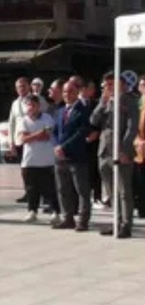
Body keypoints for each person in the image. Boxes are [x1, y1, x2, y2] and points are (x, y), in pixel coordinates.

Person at [90, 72, 139, 238]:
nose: (108, 88)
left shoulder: (129, 101)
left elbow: (132, 127)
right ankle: (116, 222)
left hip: (120, 151)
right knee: (111, 191)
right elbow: (93, 121)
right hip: (104, 151)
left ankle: (126, 224)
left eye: (111, 84)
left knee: (124, 191)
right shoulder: (105, 102)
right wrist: (102, 103)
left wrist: (125, 149)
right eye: (106, 85)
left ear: (122, 85)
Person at [52, 81, 92, 231]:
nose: (67, 95)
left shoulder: (83, 110)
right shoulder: (61, 110)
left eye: (70, 92)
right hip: (60, 156)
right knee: (63, 189)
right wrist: (56, 146)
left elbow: (82, 132)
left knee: (81, 190)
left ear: (77, 92)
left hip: (76, 156)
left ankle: (83, 219)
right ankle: (67, 217)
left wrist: (64, 146)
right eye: (64, 92)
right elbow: (55, 132)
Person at [17, 95, 60, 223]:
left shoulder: (47, 118)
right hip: (29, 160)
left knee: (50, 188)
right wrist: (38, 134)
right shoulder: (23, 120)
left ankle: (55, 211)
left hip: (47, 160)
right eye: (28, 105)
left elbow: (47, 135)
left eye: (33, 105)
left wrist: (31, 136)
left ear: (38, 106)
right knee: (31, 188)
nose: (30, 108)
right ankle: (32, 211)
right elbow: (23, 139)